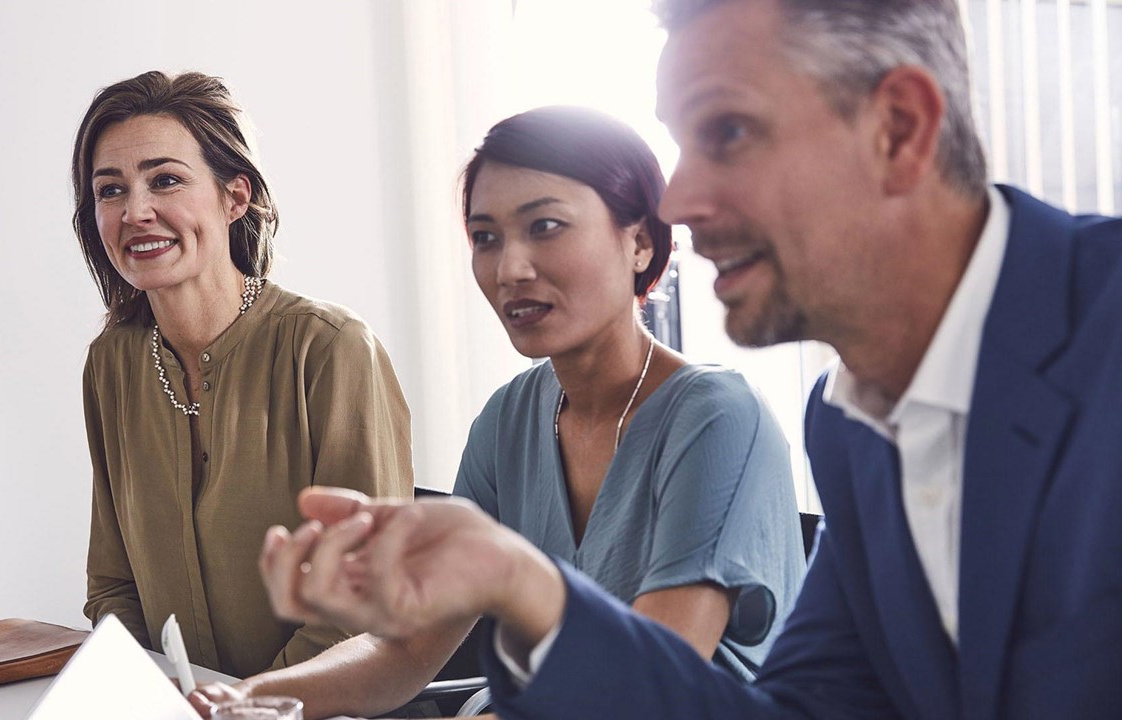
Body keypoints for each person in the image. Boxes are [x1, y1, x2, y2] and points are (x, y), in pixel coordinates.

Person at [256, 0, 1122, 718]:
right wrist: (519, 582)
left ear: (897, 129)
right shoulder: (850, 421)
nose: (677, 198)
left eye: (730, 131)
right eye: (486, 236)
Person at [189, 106, 804, 718]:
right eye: (486, 238)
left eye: (546, 226)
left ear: (640, 241)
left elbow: (651, 693)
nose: (510, 269)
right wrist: (242, 699)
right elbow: (406, 651)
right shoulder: (511, 417)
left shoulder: (718, 418)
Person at [72, 70, 413, 679]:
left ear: (235, 197)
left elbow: (362, 605)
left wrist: (247, 705)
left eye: (166, 180)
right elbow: (113, 587)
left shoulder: (331, 350)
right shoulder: (111, 365)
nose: (136, 211)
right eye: (110, 190)